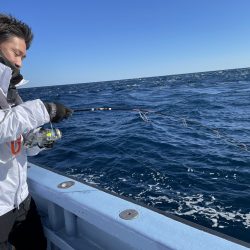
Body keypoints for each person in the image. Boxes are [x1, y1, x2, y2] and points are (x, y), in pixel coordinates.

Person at [0, 14, 72, 249]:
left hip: (20, 201)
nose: (20, 62)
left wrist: (36, 142)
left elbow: (14, 140)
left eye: (23, 56)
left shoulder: (11, 94)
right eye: (15, 53)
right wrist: (47, 109)